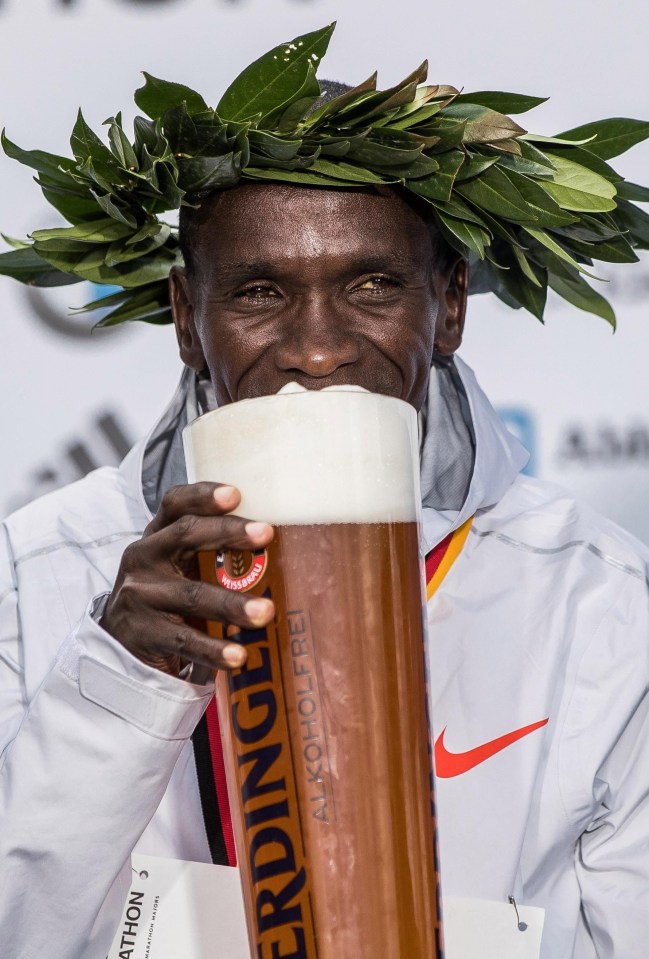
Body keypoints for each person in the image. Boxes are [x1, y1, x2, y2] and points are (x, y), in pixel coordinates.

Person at [1, 24, 648, 959]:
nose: (317, 348)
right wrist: (117, 680)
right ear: (187, 316)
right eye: (260, 291)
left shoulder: (599, 598)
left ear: (451, 303)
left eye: (373, 285)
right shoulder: (42, 569)